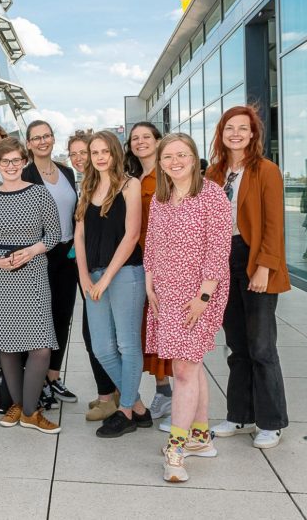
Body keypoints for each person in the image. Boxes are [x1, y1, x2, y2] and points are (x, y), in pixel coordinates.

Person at [144, 133, 232, 482]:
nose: (174, 161)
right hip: (165, 290)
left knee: (182, 369)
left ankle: (176, 450)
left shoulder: (211, 195)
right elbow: (151, 240)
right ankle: (199, 437)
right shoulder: (162, 197)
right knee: (191, 367)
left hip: (200, 294)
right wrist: (150, 279)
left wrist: (204, 297)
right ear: (161, 161)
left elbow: (218, 249)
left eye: (181, 155)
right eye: (168, 156)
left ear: (194, 158)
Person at [205, 105, 290, 449]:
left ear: (253, 134)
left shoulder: (266, 170)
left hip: (255, 259)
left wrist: (265, 267)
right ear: (221, 133)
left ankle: (271, 421)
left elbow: (273, 223)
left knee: (261, 346)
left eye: (243, 128)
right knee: (236, 345)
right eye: (229, 128)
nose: (236, 133)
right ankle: (239, 414)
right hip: (223, 261)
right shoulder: (214, 172)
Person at [0, 138, 63, 434]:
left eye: (15, 160)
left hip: (33, 272)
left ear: (24, 161)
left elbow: (54, 234)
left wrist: (32, 251)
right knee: (6, 346)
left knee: (40, 348)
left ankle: (27, 410)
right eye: (4, 162)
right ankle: (23, 408)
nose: (10, 166)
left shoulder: (39, 194)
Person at [75, 131, 152, 438]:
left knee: (126, 344)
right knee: (102, 348)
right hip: (92, 276)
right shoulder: (88, 186)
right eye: (95, 152)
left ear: (116, 153)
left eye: (106, 151)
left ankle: (126, 411)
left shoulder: (130, 185)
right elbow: (79, 235)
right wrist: (84, 276)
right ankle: (139, 407)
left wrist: (106, 278)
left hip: (125, 274)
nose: (100, 156)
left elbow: (132, 235)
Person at [22, 120, 79, 408]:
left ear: (52, 138)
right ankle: (37, 379)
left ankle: (54, 377)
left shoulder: (66, 171)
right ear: (28, 143)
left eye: (46, 136)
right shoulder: (25, 174)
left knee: (62, 316)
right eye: (36, 138)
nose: (42, 141)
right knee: (39, 318)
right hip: (39, 254)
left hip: (68, 254)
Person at [67, 133, 119, 422]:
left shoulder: (114, 185)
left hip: (111, 271)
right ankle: (108, 393)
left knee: (105, 334)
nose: (78, 158)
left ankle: (113, 395)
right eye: (73, 154)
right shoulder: (86, 185)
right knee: (93, 333)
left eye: (83, 152)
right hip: (85, 268)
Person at [126, 122, 174, 429]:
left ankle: (179, 398)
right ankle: (164, 392)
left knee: (171, 331)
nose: (141, 142)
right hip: (140, 261)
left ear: (158, 141)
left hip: (166, 263)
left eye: (146, 137)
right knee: (151, 330)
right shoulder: (133, 178)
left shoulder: (168, 174)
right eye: (135, 138)